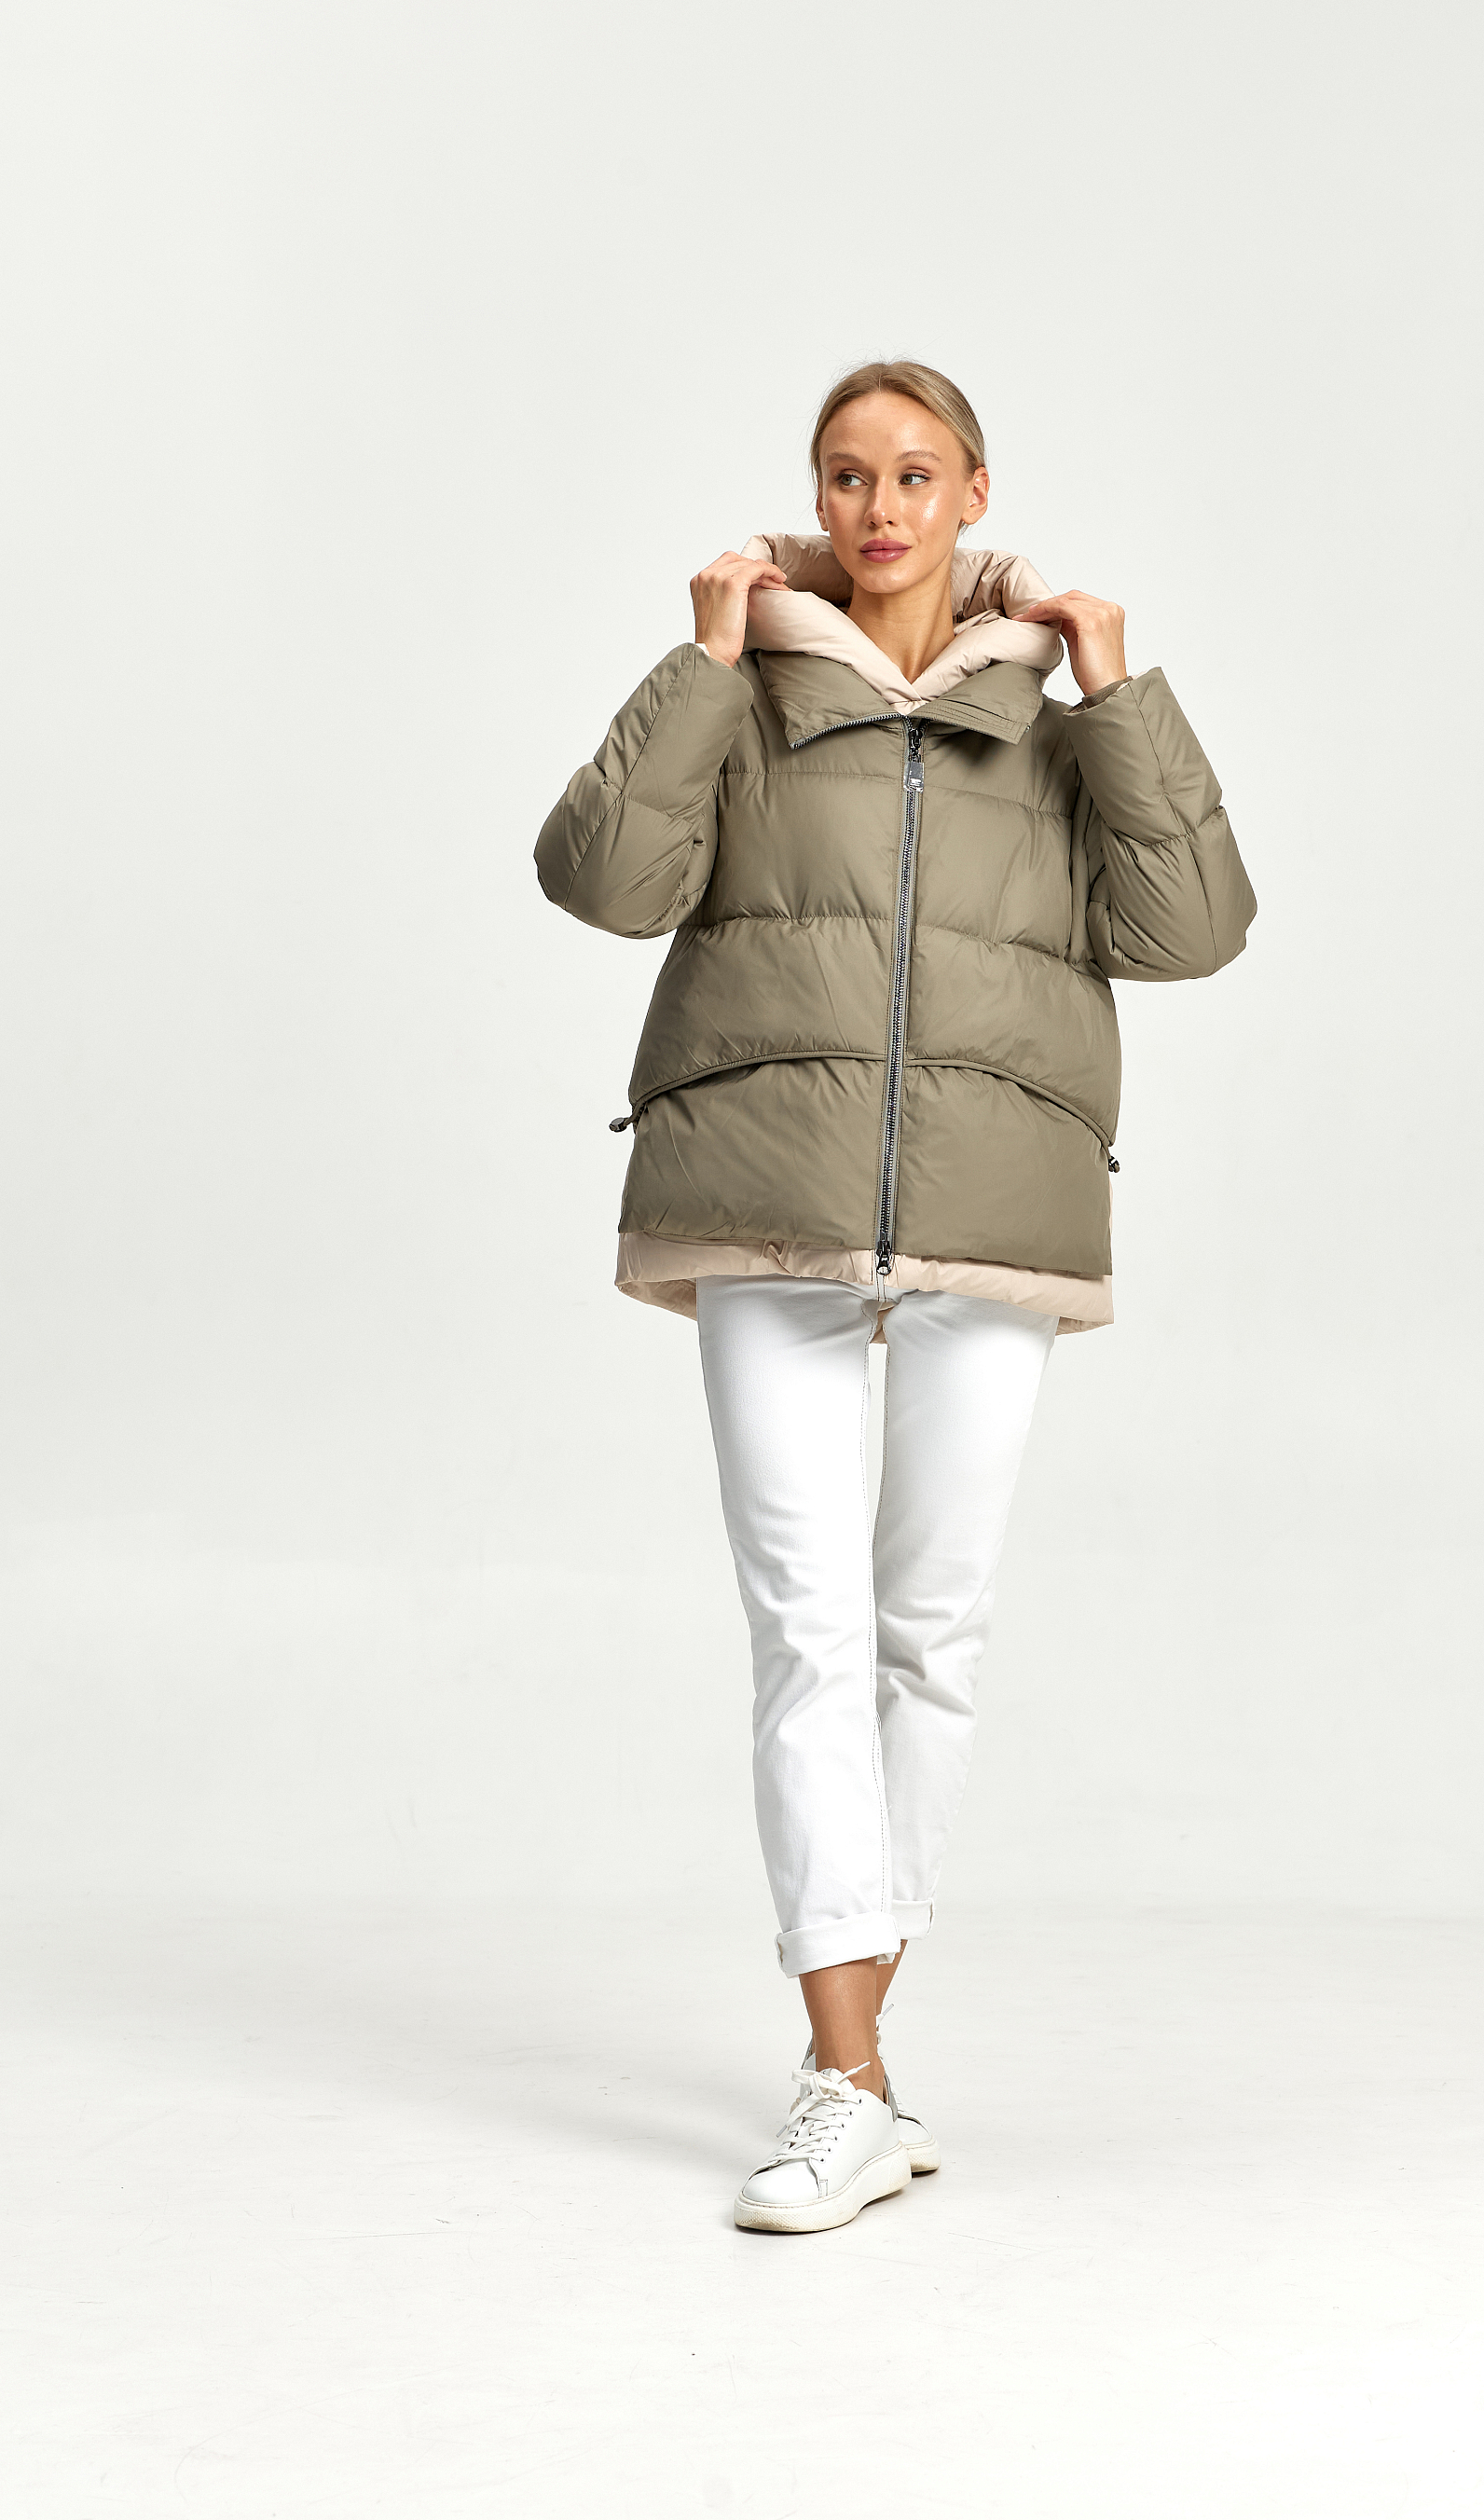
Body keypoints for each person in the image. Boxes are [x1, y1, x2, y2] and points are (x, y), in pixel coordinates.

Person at [535, 359, 1256, 2233]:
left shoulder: (1053, 719)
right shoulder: (750, 694)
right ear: (817, 497)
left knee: (932, 1632)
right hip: (761, 1198)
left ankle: (859, 2069)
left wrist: (1120, 689)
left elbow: (1191, 931)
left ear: (972, 492)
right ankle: (844, 2079)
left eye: (915, 474)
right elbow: (601, 881)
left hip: (992, 1208)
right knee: (807, 1627)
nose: (880, 508)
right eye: (847, 476)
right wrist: (702, 663)